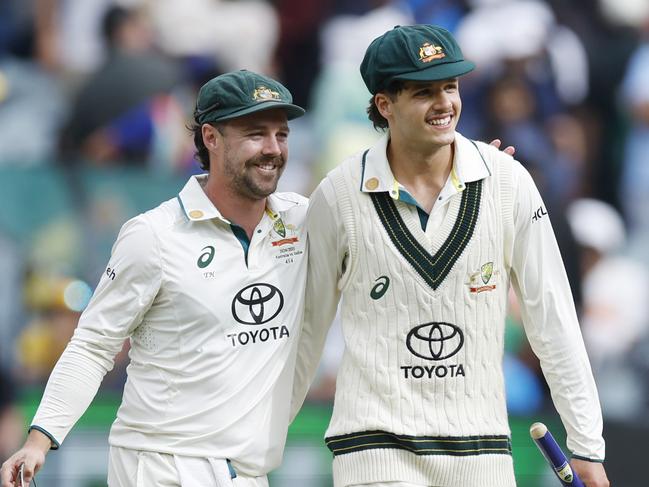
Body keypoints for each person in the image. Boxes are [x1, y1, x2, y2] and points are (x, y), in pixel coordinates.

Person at [291, 25, 610, 487]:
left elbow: (553, 317)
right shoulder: (337, 196)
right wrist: (253, 450)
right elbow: (304, 336)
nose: (444, 104)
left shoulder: (508, 181)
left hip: (482, 454)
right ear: (385, 104)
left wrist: (586, 444)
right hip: (374, 452)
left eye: (451, 86)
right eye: (424, 92)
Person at [1, 69, 307, 487]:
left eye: (282, 135)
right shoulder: (154, 234)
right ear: (211, 138)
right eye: (256, 134)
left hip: (246, 472)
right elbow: (93, 345)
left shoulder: (301, 221)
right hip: (162, 466)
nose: (273, 149)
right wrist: (39, 442)